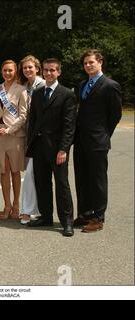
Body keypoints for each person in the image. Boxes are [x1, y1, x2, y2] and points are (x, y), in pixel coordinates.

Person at [26, 58, 77, 237]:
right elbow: (32, 121)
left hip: (57, 149)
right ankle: (46, 217)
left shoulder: (66, 94)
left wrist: (64, 149)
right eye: (46, 70)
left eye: (52, 70)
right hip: (39, 146)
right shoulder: (38, 93)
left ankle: (67, 222)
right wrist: (30, 143)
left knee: (62, 184)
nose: (48, 73)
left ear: (58, 72)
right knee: (42, 183)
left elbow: (69, 126)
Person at [73, 49, 122, 232]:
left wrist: (104, 134)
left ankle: (98, 218)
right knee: (82, 178)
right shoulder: (82, 85)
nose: (88, 65)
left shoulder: (110, 85)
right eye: (85, 63)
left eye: (91, 62)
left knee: (97, 180)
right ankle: (85, 214)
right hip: (80, 140)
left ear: (100, 62)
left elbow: (115, 115)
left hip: (98, 141)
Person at [0, 60, 28, 221]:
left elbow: (24, 115)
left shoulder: (21, 90)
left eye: (10, 70)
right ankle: (7, 205)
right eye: (5, 70)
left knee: (15, 171)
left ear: (15, 71)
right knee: (3, 171)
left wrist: (10, 130)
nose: (7, 73)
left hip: (14, 134)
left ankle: (16, 205)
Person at [18, 55, 45, 224]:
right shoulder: (24, 86)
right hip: (27, 134)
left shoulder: (42, 85)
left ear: (37, 68)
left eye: (30, 67)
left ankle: (29, 210)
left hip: (40, 136)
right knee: (33, 174)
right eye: (25, 68)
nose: (27, 70)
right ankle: (34, 210)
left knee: (31, 175)